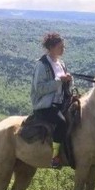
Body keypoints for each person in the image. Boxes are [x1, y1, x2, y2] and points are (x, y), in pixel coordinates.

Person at [31, 32, 72, 168]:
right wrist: (59, 81)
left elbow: (63, 85)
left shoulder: (61, 63)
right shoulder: (42, 65)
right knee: (62, 123)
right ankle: (55, 158)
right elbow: (39, 89)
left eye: (63, 46)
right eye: (60, 46)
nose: (63, 49)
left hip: (61, 103)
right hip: (46, 106)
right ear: (51, 47)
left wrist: (68, 81)